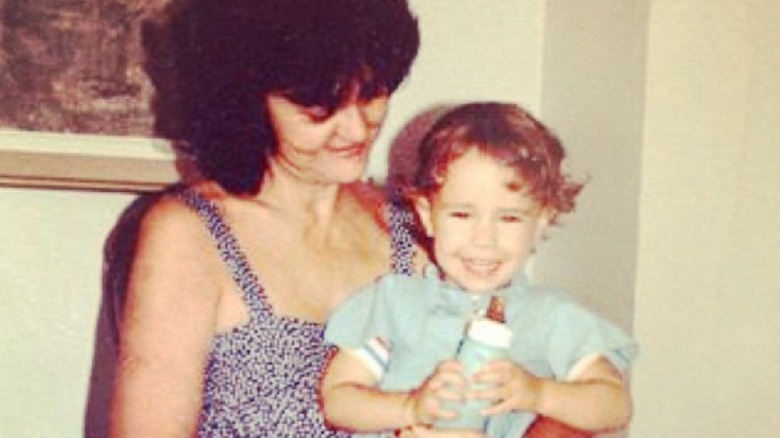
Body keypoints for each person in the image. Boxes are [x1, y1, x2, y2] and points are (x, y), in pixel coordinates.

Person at [106, 0, 426, 436]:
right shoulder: (188, 234)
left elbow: (528, 389)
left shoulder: (416, 228)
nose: (357, 129)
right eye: (319, 110)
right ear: (249, 103)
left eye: (371, 94)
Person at [320, 102, 639, 437]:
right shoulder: (394, 302)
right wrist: (409, 407)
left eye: (509, 218)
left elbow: (614, 405)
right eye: (462, 215)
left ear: (540, 222)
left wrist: (538, 392)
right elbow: (339, 400)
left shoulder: (551, 316)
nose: (484, 239)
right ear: (428, 215)